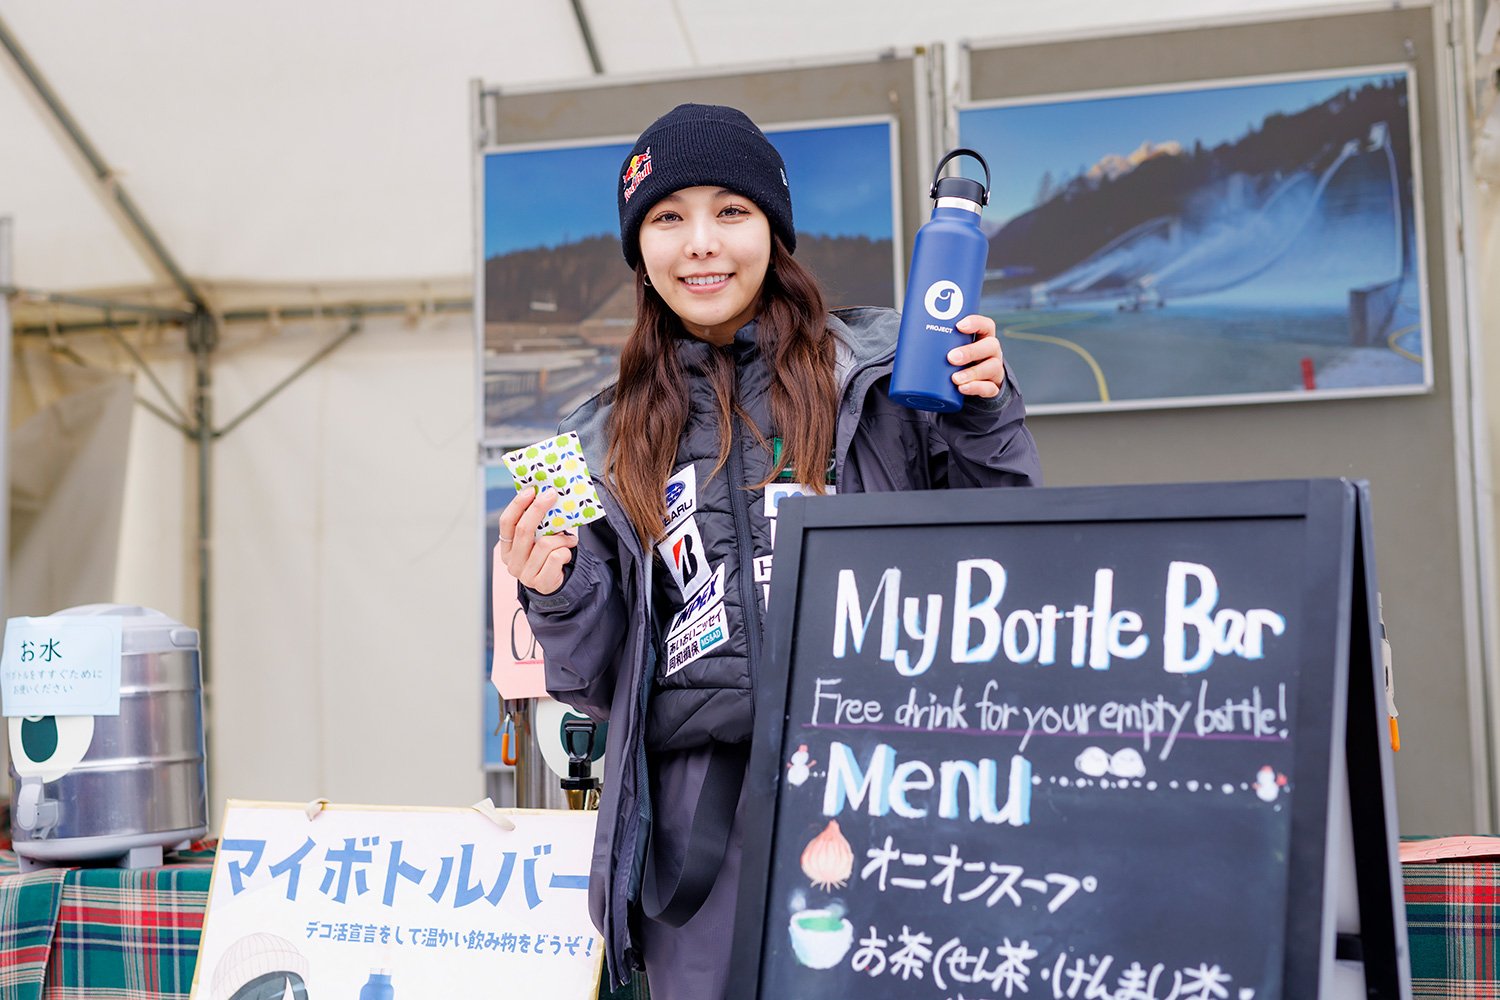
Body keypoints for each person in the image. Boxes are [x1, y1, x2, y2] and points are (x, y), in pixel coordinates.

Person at [498, 103, 1041, 999]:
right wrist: (552, 589)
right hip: (698, 828)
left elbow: (997, 550)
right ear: (640, 252)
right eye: (668, 219)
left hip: (884, 783)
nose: (701, 244)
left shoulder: (883, 371)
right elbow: (598, 680)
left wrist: (986, 411)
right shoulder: (602, 438)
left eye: (731, 212)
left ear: (773, 230)